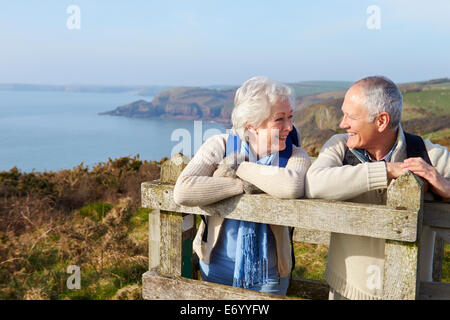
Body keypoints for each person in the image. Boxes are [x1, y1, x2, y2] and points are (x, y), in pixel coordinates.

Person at [305, 76, 450, 300]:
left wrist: (446, 188)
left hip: (413, 293)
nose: (343, 124)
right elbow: (314, 184)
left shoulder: (429, 156)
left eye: (350, 117)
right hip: (347, 292)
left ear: (381, 121)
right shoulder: (338, 147)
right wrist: (385, 171)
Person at [173, 76, 311, 295]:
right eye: (280, 119)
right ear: (252, 125)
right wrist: (241, 186)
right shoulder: (220, 145)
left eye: (290, 117)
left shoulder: (295, 154)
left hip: (270, 274)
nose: (289, 127)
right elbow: (183, 191)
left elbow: (291, 186)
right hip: (216, 267)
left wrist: (240, 168)